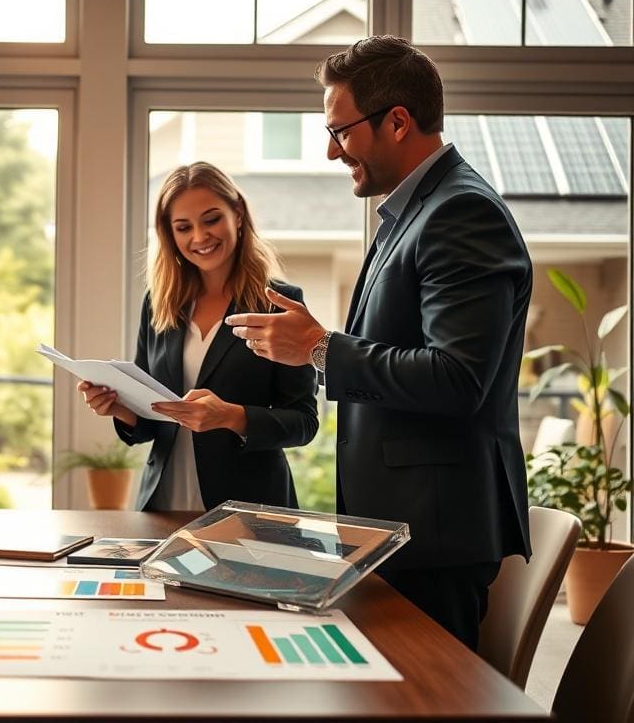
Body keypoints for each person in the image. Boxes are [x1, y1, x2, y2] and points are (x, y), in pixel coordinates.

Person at [226, 36, 532, 650]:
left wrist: (319, 350)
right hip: (400, 533)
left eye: (341, 131)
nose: (332, 150)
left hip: (435, 540)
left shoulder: (461, 213)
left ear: (397, 121)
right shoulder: (415, 210)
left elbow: (456, 377)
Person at [77, 162, 319, 511]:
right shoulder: (159, 305)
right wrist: (122, 410)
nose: (199, 237)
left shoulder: (278, 304)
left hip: (249, 510)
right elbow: (152, 421)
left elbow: (305, 422)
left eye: (211, 219)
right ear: (170, 235)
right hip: (163, 506)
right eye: (183, 227)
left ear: (237, 214)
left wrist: (230, 416)